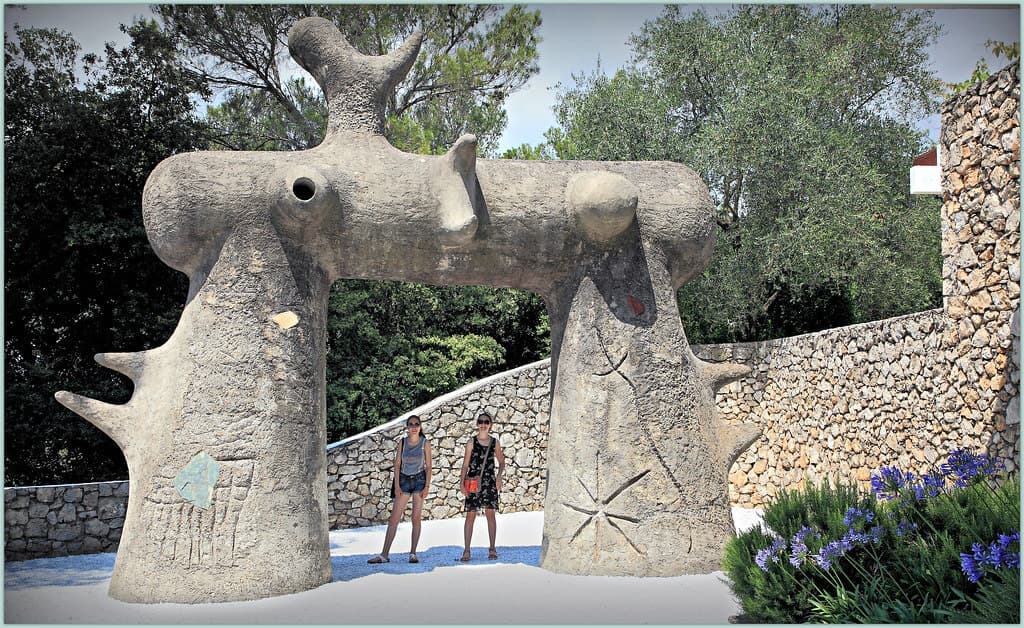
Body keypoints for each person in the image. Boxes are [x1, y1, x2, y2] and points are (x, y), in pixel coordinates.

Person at [367, 414, 432, 564]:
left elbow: (429, 466)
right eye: (411, 424)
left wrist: (427, 486)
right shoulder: (402, 442)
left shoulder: (425, 443)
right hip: (403, 480)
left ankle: (413, 553)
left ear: (420, 426)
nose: (414, 427)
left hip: (419, 480)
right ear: (407, 427)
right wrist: (397, 485)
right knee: (394, 519)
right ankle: (384, 555)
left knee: (416, 518)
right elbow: (397, 464)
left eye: (416, 424)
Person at [458, 412, 505, 561]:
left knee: (490, 514)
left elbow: (501, 462)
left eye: (486, 422)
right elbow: (465, 465)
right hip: (473, 482)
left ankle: (492, 548)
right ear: (477, 424)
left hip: (489, 482)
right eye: (481, 421)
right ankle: (466, 550)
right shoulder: (471, 442)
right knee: (470, 515)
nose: (483, 424)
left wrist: (499, 476)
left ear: (490, 424)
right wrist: (461, 483)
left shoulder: (494, 442)